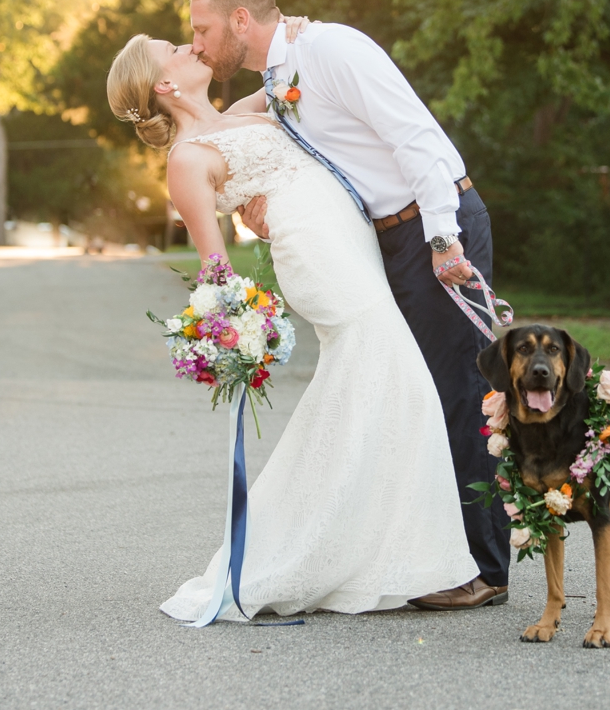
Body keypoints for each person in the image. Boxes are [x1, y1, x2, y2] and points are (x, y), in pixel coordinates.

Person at [107, 31, 477, 622]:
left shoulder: (239, 112)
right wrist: (236, 334)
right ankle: (385, 556)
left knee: (374, 387)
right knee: (400, 379)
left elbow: (287, 78)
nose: (189, 46)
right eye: (173, 48)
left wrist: (300, 31)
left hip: (350, 239)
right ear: (164, 85)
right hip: (316, 256)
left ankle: (368, 548)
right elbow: (215, 267)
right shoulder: (185, 159)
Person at [193, 0, 510, 611]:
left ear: (241, 20)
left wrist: (444, 239)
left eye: (202, 29)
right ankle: (431, 554)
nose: (198, 43)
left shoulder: (330, 48)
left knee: (457, 393)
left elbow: (413, 133)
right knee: (410, 394)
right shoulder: (277, 82)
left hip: (434, 226)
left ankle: (484, 568)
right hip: (386, 240)